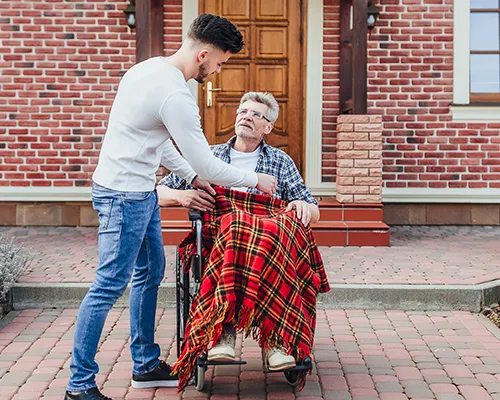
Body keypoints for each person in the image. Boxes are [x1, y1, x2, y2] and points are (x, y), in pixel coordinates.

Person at [65, 15, 278, 400]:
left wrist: (193, 180)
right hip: (123, 197)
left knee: (150, 273)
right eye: (220, 62)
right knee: (108, 285)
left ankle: (145, 365)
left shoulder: (145, 70)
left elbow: (159, 141)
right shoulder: (176, 96)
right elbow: (207, 164)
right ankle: (79, 386)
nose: (217, 70)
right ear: (203, 54)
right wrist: (253, 180)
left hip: (140, 190)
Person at [157, 92, 326, 388]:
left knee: (279, 226)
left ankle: (276, 341)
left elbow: (313, 209)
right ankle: (223, 331)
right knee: (236, 223)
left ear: (268, 128)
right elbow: (158, 191)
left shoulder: (280, 162)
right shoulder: (207, 157)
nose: (247, 116)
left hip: (269, 242)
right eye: (243, 111)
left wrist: (305, 208)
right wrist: (182, 196)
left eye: (256, 114)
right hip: (223, 236)